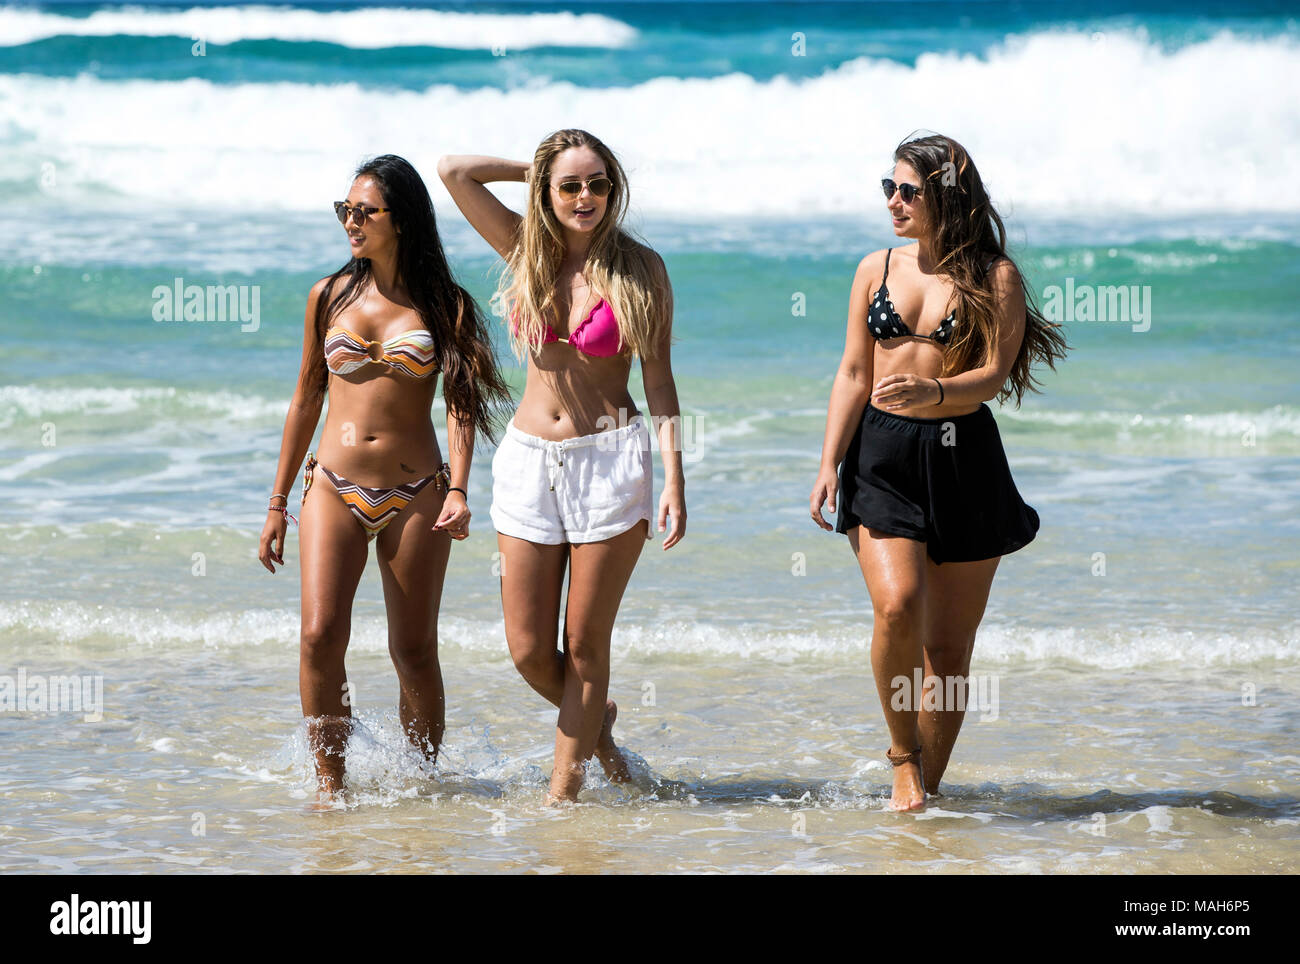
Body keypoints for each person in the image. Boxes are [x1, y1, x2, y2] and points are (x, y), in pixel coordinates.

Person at [810, 132, 1068, 811]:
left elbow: (992, 374)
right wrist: (829, 461)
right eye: (888, 188)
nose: (894, 202)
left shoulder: (995, 276)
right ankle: (902, 761)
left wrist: (937, 396)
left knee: (949, 652)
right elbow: (853, 371)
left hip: (964, 460)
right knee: (897, 605)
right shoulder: (876, 267)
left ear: (945, 198)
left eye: (908, 191)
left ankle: (927, 790)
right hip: (882, 456)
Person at [438, 129, 686, 803]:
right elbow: (454, 171)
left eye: (599, 184)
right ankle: (596, 728)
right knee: (526, 648)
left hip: (610, 461)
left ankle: (561, 795)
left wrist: (674, 477)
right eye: (570, 185)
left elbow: (659, 381)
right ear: (548, 190)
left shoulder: (641, 269)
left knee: (583, 645)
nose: (586, 197)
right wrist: (536, 168)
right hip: (527, 462)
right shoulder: (525, 250)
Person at [258, 154, 511, 801]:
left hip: (417, 491)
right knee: (320, 637)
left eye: (364, 211)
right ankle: (331, 789)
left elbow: (462, 403)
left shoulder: (443, 304)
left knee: (415, 649)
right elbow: (306, 399)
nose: (351, 221)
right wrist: (278, 501)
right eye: (345, 210)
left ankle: (421, 785)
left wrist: (459, 489)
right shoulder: (329, 296)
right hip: (334, 488)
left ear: (402, 219)